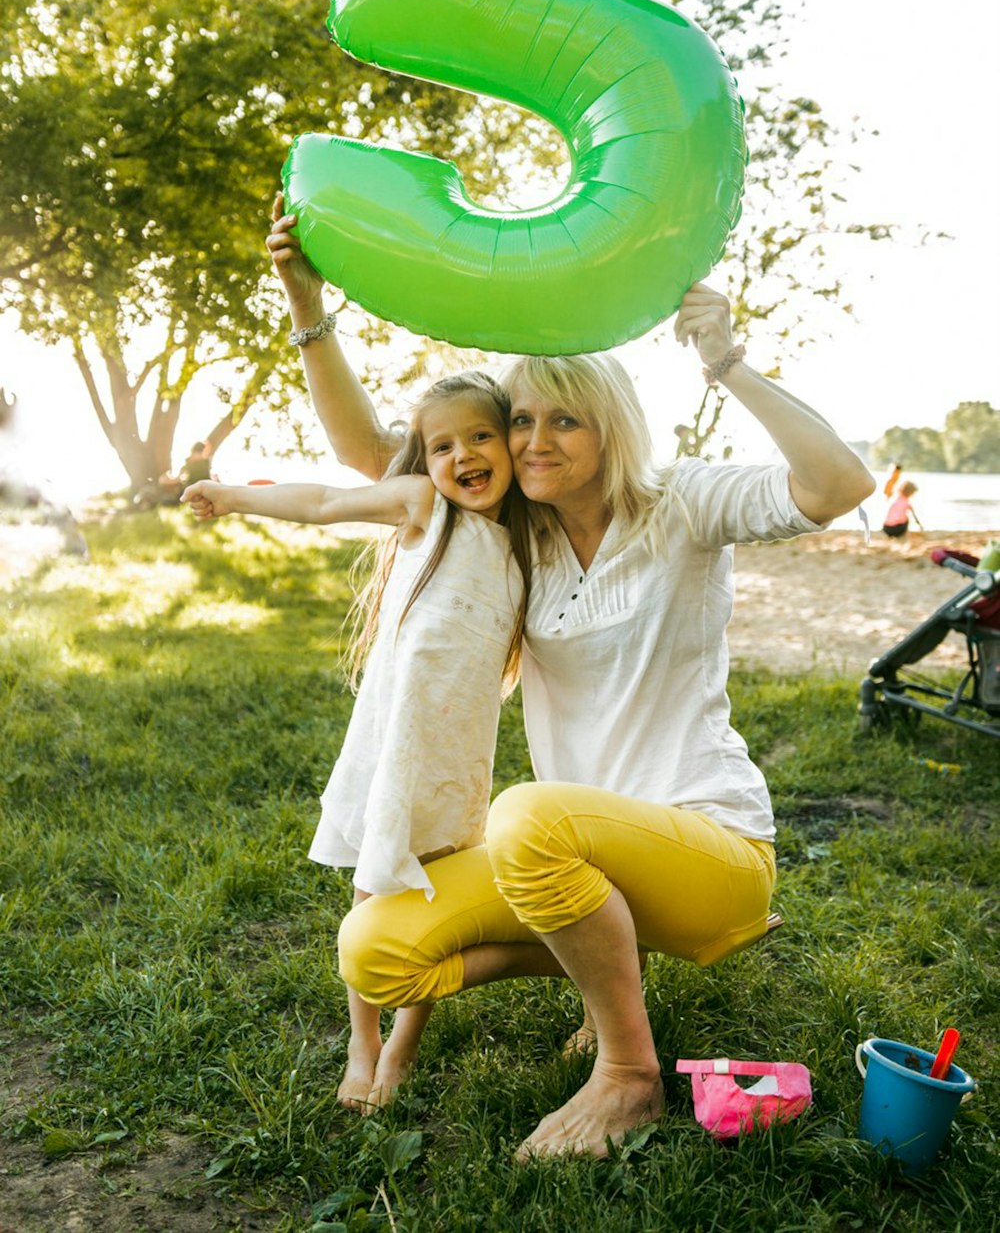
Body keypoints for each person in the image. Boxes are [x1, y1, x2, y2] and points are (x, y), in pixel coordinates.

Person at [265, 193, 875, 1159]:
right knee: (376, 945)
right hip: (572, 864)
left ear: (611, 429)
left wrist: (727, 362)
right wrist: (308, 307)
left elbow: (836, 487)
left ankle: (628, 1076)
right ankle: (600, 963)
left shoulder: (682, 502)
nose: (535, 441)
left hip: (710, 852)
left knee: (528, 815)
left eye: (565, 422)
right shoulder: (515, 533)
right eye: (521, 421)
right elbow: (369, 455)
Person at [181, 371, 528, 1113]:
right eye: (441, 445)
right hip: (393, 745)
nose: (462, 454)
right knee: (374, 895)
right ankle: (363, 1040)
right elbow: (324, 503)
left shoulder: (526, 546)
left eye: (479, 436)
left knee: (430, 900)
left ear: (509, 443)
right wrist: (234, 493)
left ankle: (403, 1044)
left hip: (457, 760)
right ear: (423, 460)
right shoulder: (422, 506)